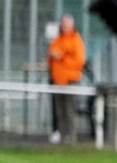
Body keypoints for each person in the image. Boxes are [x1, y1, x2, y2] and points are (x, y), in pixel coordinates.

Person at [47, 14, 85, 145]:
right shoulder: (57, 40)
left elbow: (79, 61)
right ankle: (61, 136)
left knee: (69, 110)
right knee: (59, 110)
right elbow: (50, 56)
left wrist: (62, 57)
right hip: (57, 80)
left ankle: (71, 137)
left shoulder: (76, 40)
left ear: (71, 26)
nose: (63, 27)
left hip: (70, 80)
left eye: (66, 25)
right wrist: (52, 58)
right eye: (62, 24)